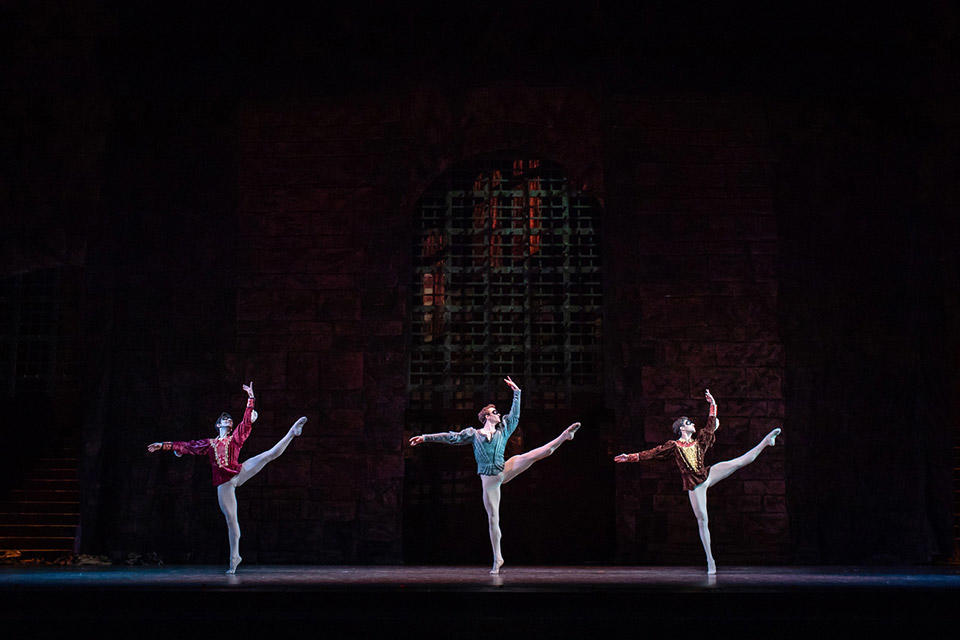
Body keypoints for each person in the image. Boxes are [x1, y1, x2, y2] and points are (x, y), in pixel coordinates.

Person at [409, 376, 580, 574]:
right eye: (495, 412)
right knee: (493, 518)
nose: (499, 414)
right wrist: (425, 437)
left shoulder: (503, 430)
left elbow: (514, 416)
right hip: (489, 481)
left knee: (536, 454)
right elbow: (451, 437)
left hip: (504, 469)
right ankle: (497, 558)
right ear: (487, 417)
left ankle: (564, 436)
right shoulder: (474, 434)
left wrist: (517, 393)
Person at [614, 388, 780, 574]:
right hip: (695, 485)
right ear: (682, 428)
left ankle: (766, 442)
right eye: (689, 422)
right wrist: (629, 457)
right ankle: (710, 560)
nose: (693, 424)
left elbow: (710, 427)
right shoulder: (673, 446)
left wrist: (712, 404)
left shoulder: (699, 440)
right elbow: (653, 453)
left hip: (707, 474)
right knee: (703, 520)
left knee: (738, 462)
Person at [147, 381, 306, 574]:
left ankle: (292, 432)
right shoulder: (210, 443)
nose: (228, 419)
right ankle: (234, 557)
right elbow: (187, 446)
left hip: (239, 472)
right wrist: (164, 445)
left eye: (229, 419)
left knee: (268, 455)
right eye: (224, 418)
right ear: (218, 424)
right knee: (231, 519)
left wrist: (251, 398)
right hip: (224, 484)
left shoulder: (235, 439)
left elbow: (246, 424)